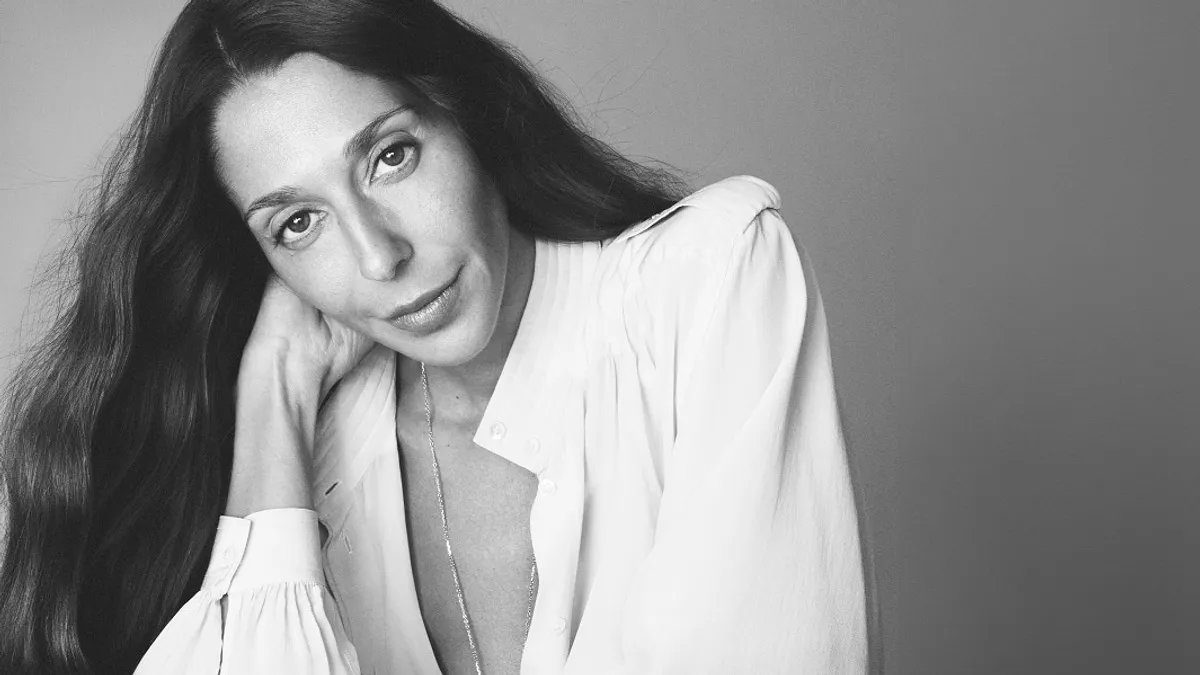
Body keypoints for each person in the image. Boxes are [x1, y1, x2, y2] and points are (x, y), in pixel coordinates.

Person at [0, 0, 867, 673]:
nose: (380, 257)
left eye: (390, 156)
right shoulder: (322, 454)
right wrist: (273, 393)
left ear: (469, 113)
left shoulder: (707, 281)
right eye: (299, 223)